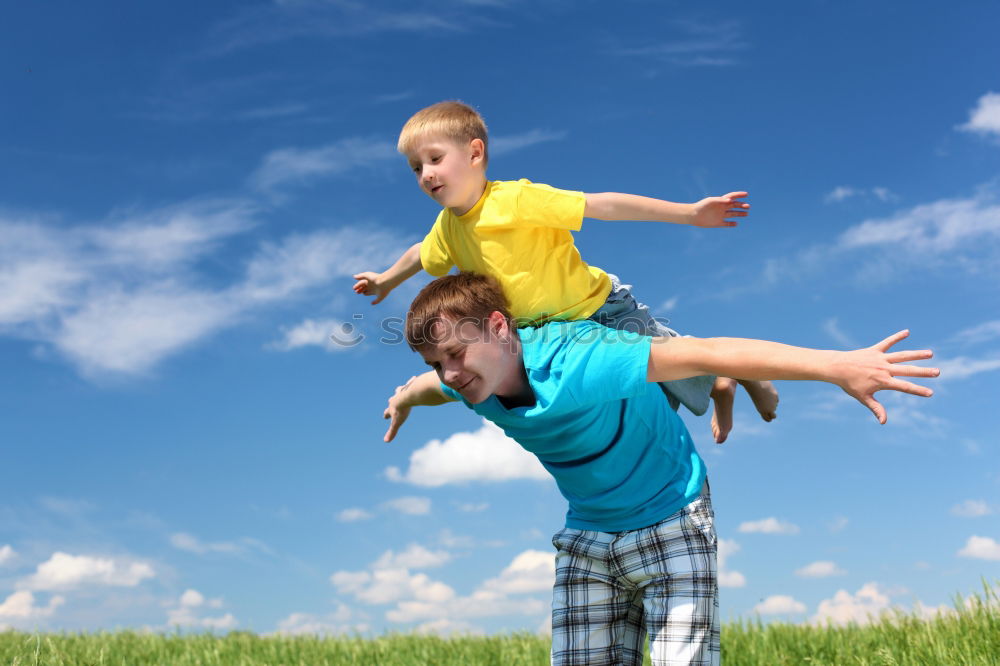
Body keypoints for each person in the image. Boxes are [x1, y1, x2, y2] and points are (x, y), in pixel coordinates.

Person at [381, 272, 939, 666]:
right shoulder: (471, 386)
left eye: (456, 353)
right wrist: (405, 397)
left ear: (501, 328)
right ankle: (719, 389)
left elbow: (710, 348)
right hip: (589, 535)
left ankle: (732, 388)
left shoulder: (582, 361)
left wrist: (838, 366)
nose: (450, 372)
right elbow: (433, 389)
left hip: (673, 512)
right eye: (438, 361)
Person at [353, 100, 778, 444]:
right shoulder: (446, 229)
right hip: (545, 334)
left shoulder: (516, 200)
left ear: (475, 153)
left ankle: (739, 375)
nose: (426, 174)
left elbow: (601, 204)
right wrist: (387, 279)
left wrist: (689, 213)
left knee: (680, 360)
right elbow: (420, 253)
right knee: (635, 408)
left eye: (434, 159)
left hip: (598, 308)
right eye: (415, 168)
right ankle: (718, 384)